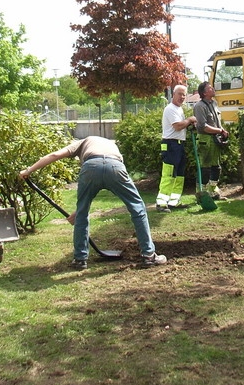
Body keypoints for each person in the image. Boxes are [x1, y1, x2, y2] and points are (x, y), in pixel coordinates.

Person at [19, 136, 167, 270]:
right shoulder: (111, 144)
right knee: (138, 208)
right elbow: (108, 169)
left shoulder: (82, 142)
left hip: (90, 167)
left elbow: (55, 155)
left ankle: (80, 259)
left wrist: (29, 170)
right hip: (115, 166)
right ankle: (148, 255)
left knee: (83, 213)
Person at [156, 84, 197, 213]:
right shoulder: (170, 109)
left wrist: (190, 123)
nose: (182, 97)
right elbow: (178, 126)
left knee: (179, 174)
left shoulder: (179, 109)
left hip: (179, 144)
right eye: (180, 94)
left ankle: (173, 201)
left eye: (184, 94)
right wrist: (190, 119)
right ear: (173, 94)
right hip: (170, 145)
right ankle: (161, 203)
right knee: (169, 174)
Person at [193, 81, 228, 200]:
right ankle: (201, 194)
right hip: (205, 140)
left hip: (214, 139)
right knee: (205, 168)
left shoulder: (214, 103)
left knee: (216, 167)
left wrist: (222, 130)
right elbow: (203, 126)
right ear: (204, 92)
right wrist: (219, 131)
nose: (213, 89)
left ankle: (213, 192)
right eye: (209, 88)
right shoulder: (199, 106)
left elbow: (217, 122)